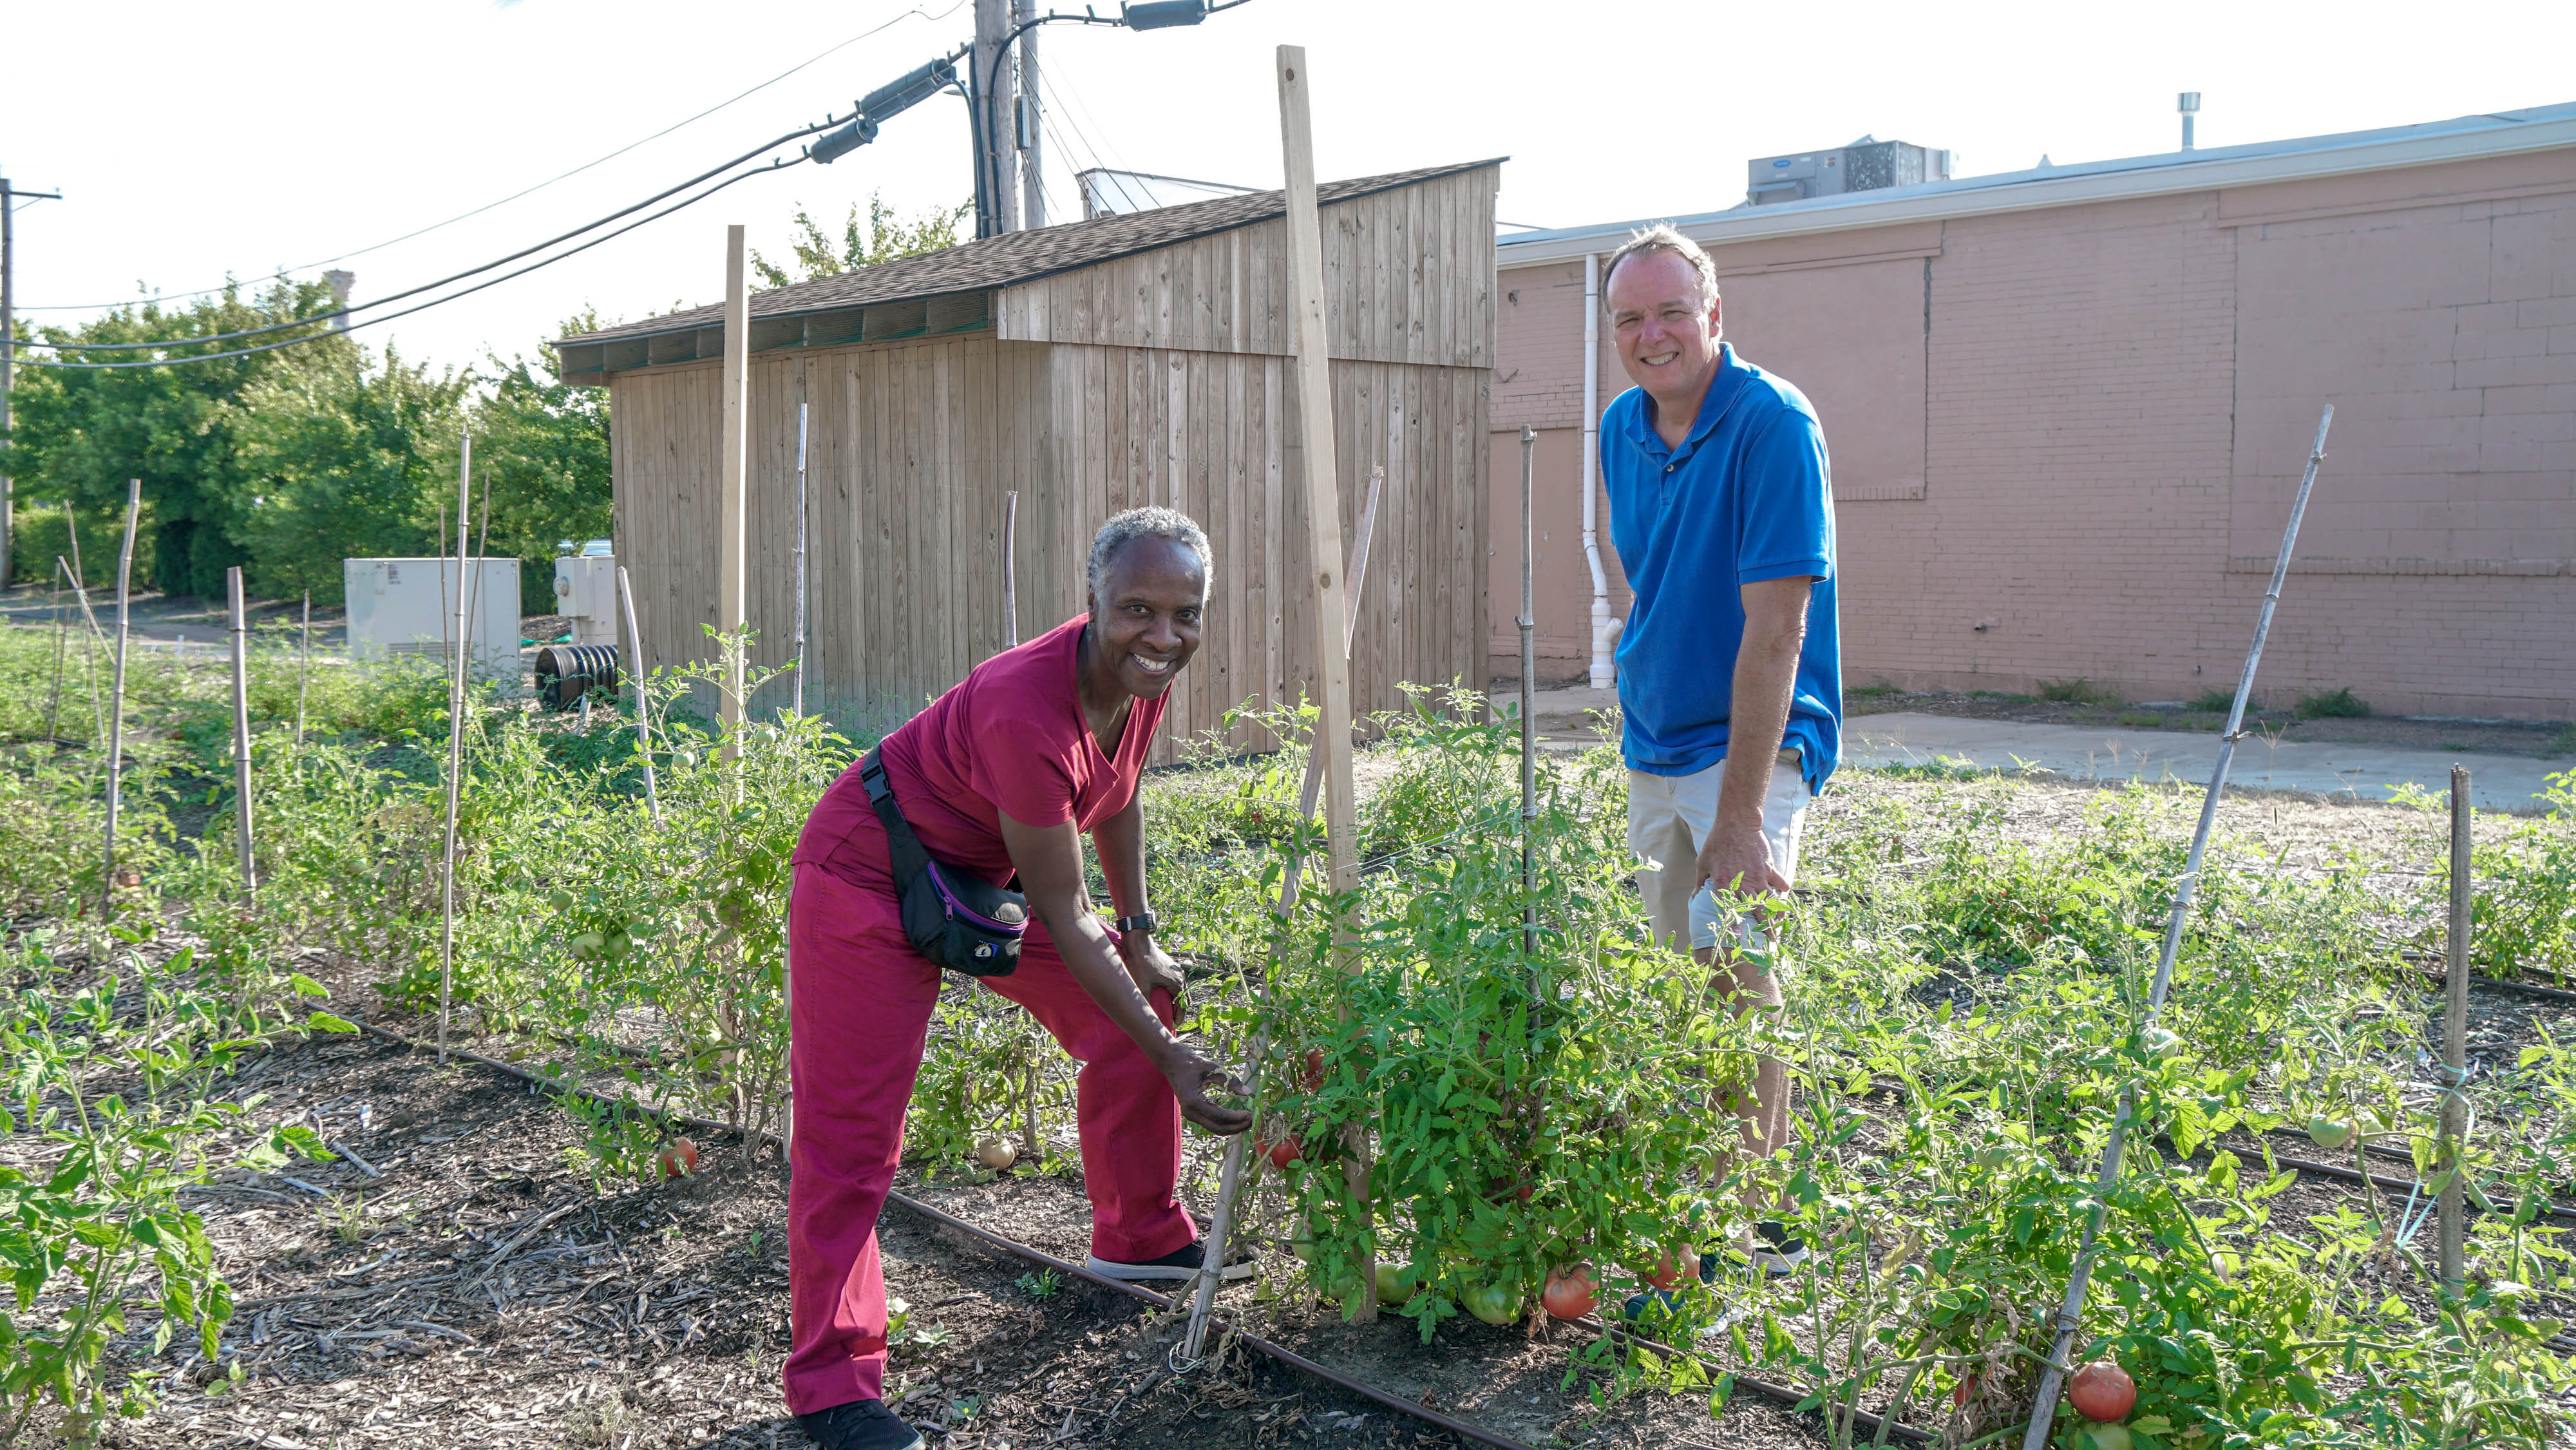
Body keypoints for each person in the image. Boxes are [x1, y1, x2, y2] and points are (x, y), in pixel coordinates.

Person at [782, 507, 1252, 1450]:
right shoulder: (1023, 705)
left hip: (975, 878)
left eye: (1185, 614)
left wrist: (1143, 933)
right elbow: (1064, 912)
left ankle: (1142, 1239)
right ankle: (831, 1387)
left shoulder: (1139, 677)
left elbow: (1115, 796)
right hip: (865, 876)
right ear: (1091, 603)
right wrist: (1174, 1058)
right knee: (853, 1135)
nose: (1163, 636)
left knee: (1138, 1000)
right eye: (1138, 611)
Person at [1598, 224, 1840, 1277]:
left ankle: (1755, 1218)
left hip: (1751, 747)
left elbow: (1777, 628)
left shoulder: (1772, 424)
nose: (1651, 337)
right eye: (1629, 320)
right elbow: (1643, 570)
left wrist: (1742, 814)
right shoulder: (1620, 426)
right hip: (1654, 738)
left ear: (1715, 316)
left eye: (1669, 313)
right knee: (1672, 966)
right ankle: (1698, 1177)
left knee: (1739, 965)